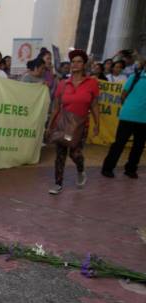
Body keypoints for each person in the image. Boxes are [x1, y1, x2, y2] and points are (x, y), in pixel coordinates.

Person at [47, 49, 99, 195]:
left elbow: (94, 105)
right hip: (63, 123)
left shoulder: (91, 83)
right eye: (73, 62)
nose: (75, 64)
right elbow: (56, 106)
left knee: (75, 154)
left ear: (84, 65)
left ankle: (81, 170)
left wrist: (97, 124)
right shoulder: (63, 83)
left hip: (81, 125)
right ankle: (58, 184)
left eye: (79, 62)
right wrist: (50, 126)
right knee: (60, 154)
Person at [101, 66, 145, 178]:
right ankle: (107, 168)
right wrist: (129, 108)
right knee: (119, 144)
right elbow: (123, 94)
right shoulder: (136, 76)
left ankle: (131, 169)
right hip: (128, 117)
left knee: (138, 146)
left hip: (144, 120)